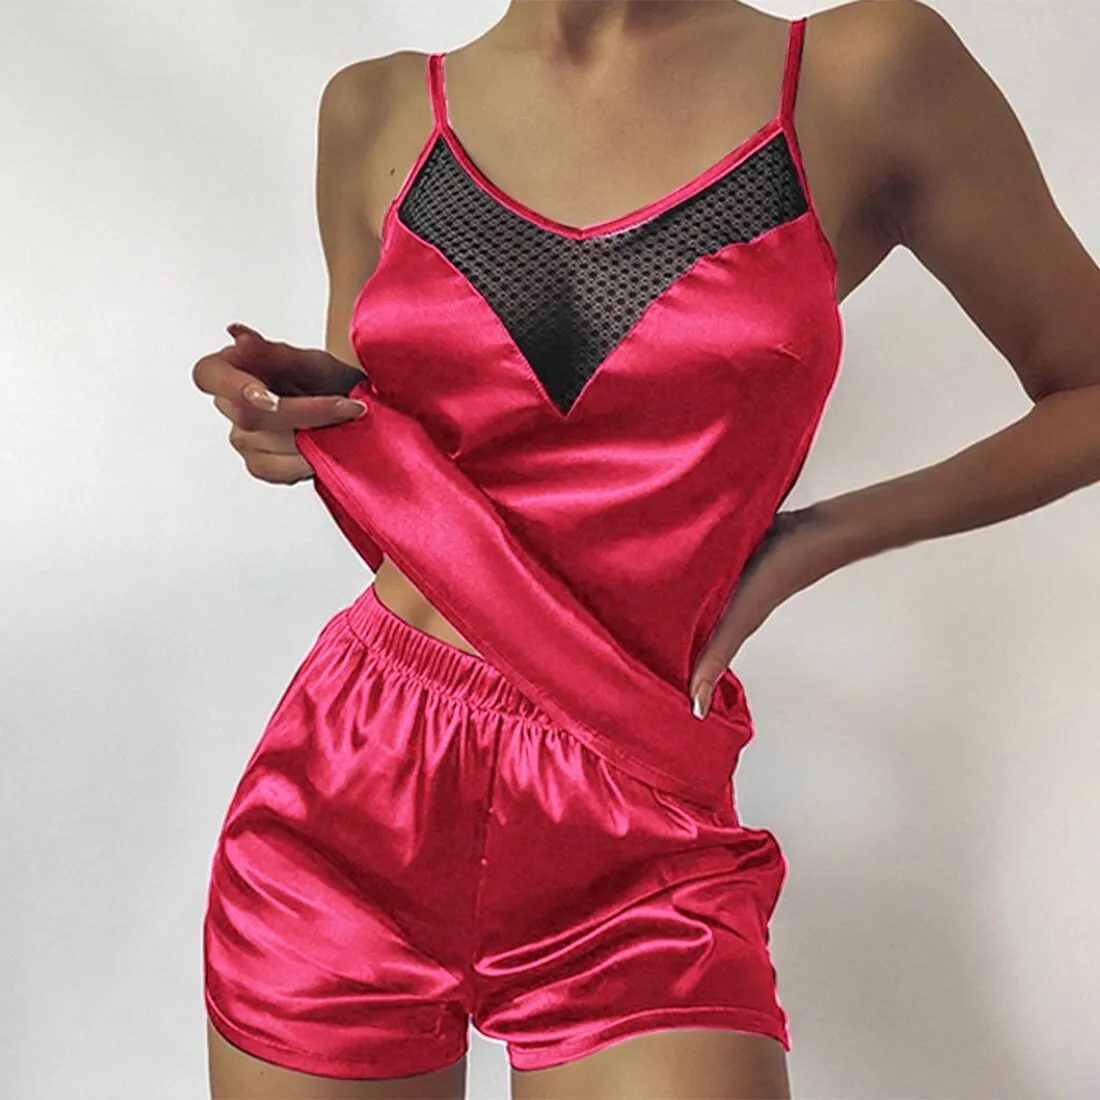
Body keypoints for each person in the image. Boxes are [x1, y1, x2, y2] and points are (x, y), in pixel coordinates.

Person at [192, 1, 1100, 1097]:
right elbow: (407, 451)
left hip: (635, 818)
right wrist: (298, 416)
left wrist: (816, 539)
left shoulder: (858, 73)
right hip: (347, 789)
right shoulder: (375, 109)